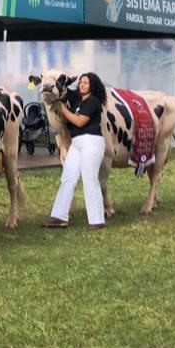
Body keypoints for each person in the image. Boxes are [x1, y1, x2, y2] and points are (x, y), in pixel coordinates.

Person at [43, 73, 107, 230]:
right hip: (77, 142)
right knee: (68, 176)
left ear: (92, 86)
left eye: (86, 83)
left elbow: (79, 121)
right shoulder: (79, 100)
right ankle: (60, 216)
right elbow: (62, 92)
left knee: (89, 179)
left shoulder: (94, 102)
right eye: (80, 82)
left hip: (91, 142)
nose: (82, 85)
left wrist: (63, 109)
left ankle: (97, 220)